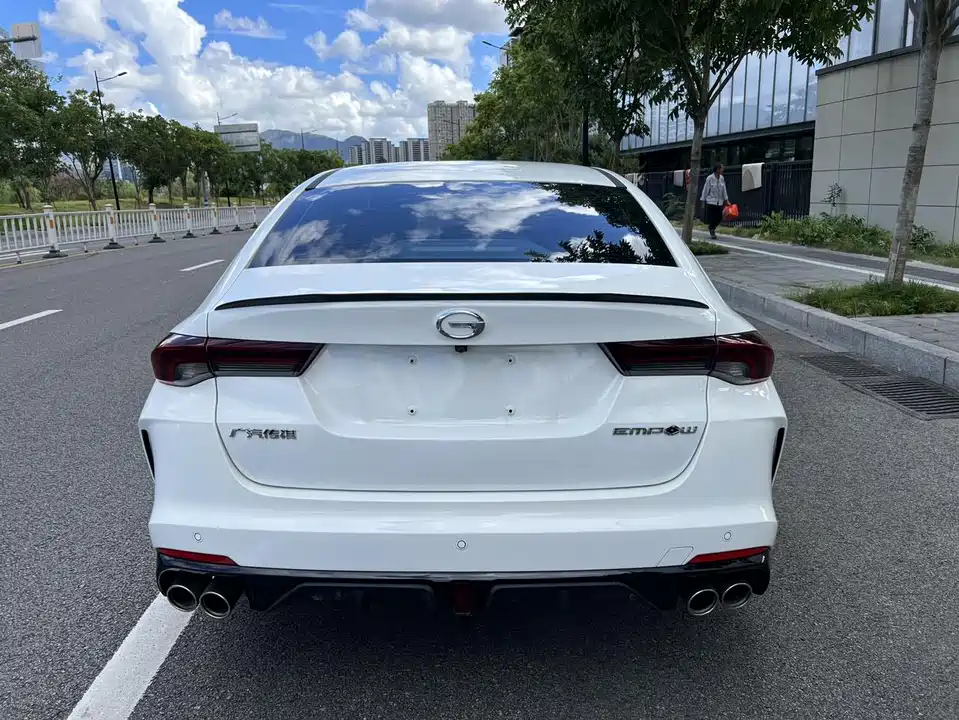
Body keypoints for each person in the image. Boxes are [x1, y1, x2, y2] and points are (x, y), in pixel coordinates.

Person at [700, 163, 729, 239]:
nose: (722, 170)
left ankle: (711, 227)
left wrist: (726, 200)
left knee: (720, 217)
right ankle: (712, 230)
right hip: (711, 201)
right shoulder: (710, 178)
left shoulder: (722, 178)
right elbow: (705, 190)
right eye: (721, 168)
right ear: (717, 169)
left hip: (720, 201)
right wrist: (703, 200)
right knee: (713, 217)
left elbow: (724, 189)